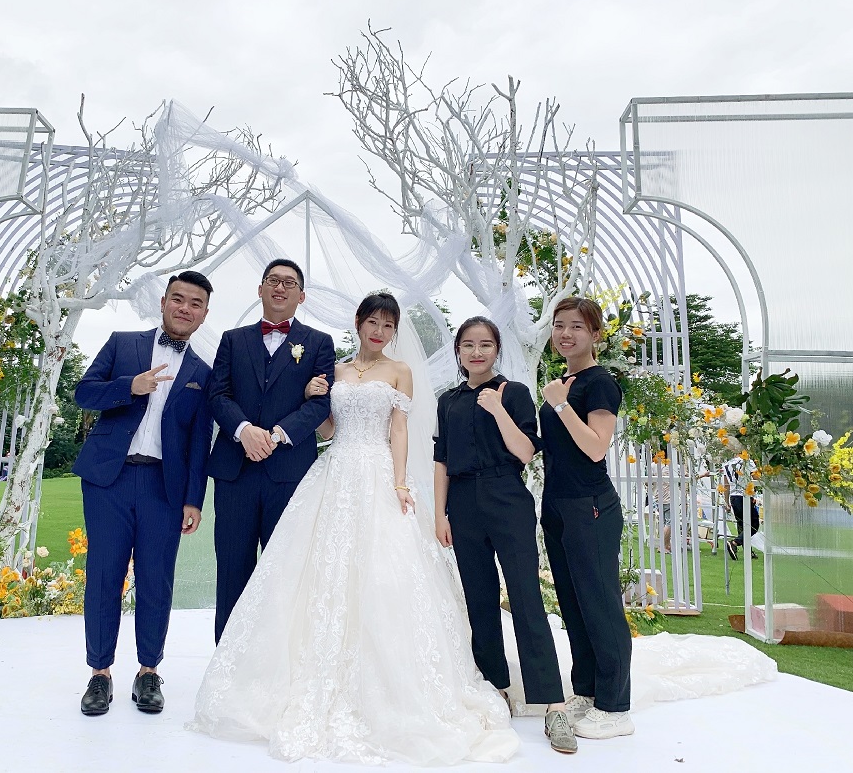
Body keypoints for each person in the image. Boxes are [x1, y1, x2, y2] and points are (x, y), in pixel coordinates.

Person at [189, 292, 521, 765]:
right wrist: (314, 400)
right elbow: (328, 430)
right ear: (359, 323)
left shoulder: (399, 371)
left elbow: (399, 430)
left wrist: (400, 482)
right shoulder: (337, 371)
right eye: (373, 323)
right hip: (336, 471)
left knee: (383, 576)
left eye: (388, 325)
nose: (380, 332)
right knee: (317, 573)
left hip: (378, 473)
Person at [72, 271, 214, 717]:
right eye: (178, 299)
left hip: (163, 488)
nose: (185, 308)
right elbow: (83, 393)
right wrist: (128, 387)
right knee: (104, 576)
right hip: (108, 480)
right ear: (164, 302)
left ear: (203, 314)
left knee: (156, 580)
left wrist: (193, 499)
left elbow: (199, 442)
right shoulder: (122, 344)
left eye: (195, 303)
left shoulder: (202, 373)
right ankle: (99, 674)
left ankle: (149, 671)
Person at [433, 316, 575, 754]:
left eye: (486, 345)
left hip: (507, 497)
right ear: (458, 351)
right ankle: (496, 689)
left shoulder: (513, 392)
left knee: (526, 597)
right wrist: (439, 513)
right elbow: (441, 459)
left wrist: (496, 409)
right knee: (479, 599)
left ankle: (553, 705)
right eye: (468, 345)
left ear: (497, 350)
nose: (477, 352)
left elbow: (526, 451)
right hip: (462, 503)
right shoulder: (448, 400)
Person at [206, 259, 335, 643]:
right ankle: (227, 663)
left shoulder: (319, 343)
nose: (280, 287)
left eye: (289, 283)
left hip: (290, 475)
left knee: (285, 573)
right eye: (273, 281)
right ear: (260, 289)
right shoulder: (232, 339)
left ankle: (279, 661)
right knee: (232, 570)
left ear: (301, 296)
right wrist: (244, 430)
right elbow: (217, 394)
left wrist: (276, 435)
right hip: (235, 474)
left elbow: (320, 405)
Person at [538, 296, 634, 740]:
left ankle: (615, 707)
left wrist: (560, 405)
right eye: (559, 325)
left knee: (600, 603)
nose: (566, 334)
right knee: (574, 603)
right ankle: (588, 691)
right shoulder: (562, 382)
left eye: (577, 326)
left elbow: (596, 447)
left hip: (589, 505)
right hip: (557, 503)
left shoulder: (599, 383)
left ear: (595, 334)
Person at [722, 455, 759, 560]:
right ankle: (735, 543)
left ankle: (747, 550)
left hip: (734, 496)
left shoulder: (727, 464)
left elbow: (726, 485)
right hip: (744, 495)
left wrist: (727, 502)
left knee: (742, 524)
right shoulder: (747, 461)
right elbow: (756, 478)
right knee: (754, 524)